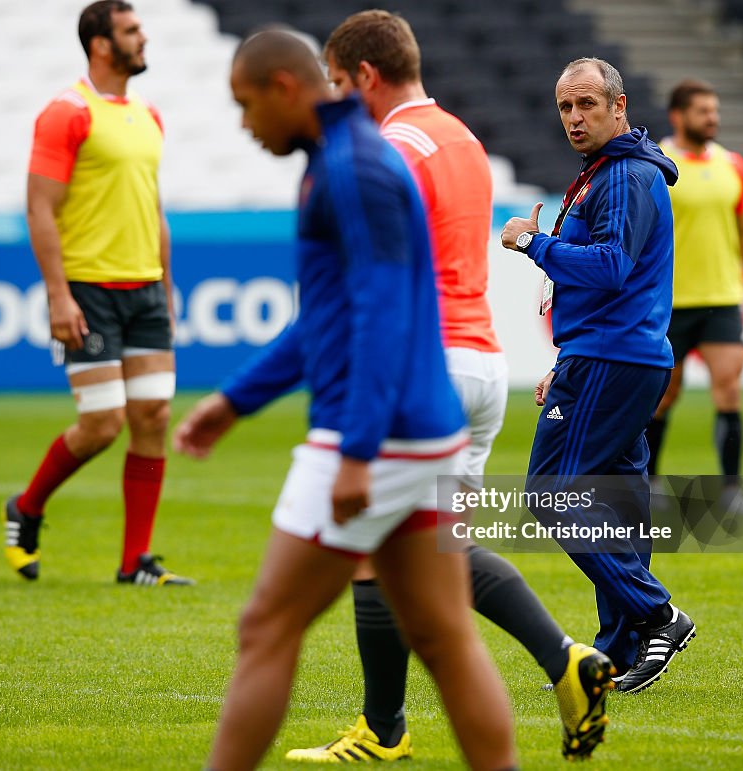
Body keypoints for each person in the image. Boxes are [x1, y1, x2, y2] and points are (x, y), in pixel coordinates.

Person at [174, 27, 517, 771]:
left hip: (379, 437)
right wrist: (235, 402)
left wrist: (358, 450)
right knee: (444, 634)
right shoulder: (344, 158)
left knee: (267, 623)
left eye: (246, 104)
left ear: (285, 88)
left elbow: (382, 314)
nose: (244, 124)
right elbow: (326, 320)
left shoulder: (352, 169)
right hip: (423, 428)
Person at [285, 11, 613, 764]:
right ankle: (566, 661)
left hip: (421, 366)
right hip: (480, 364)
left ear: (365, 75)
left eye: (339, 83)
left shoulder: (389, 147)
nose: (337, 99)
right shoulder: (462, 136)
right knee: (437, 548)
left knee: (378, 548)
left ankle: (384, 730)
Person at [500, 57, 695, 694]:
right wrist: (566, 357)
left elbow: (610, 266)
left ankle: (658, 614)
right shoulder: (611, 173)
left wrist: (533, 243)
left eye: (586, 104)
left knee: (551, 492)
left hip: (615, 357)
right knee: (619, 502)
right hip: (614, 353)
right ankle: (623, 646)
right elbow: (611, 282)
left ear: (619, 108)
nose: (574, 118)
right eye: (565, 108)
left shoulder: (624, 177)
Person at [3, 0, 192, 587]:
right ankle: (27, 506)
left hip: (145, 291)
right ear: (101, 44)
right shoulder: (66, 112)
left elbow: (152, 207)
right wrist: (58, 295)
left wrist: (166, 282)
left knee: (154, 416)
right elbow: (40, 207)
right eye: (132, 30)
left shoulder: (149, 115)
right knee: (103, 424)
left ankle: (136, 562)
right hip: (89, 290)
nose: (144, 38)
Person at [647, 79, 743, 513]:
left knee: (729, 390)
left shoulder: (732, 164)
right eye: (703, 111)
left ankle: (732, 490)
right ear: (678, 116)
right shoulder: (657, 163)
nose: (713, 118)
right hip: (669, 302)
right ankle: (650, 482)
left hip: (721, 297)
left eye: (715, 110)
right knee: (664, 395)